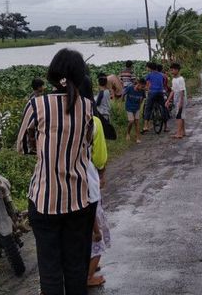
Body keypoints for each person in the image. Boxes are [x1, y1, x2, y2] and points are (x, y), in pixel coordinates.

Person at [17, 48, 96, 295]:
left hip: (44, 200)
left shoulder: (37, 104)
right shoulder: (87, 106)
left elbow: (22, 146)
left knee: (50, 270)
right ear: (80, 75)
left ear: (53, 75)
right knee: (75, 267)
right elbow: (88, 145)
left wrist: (42, 148)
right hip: (79, 198)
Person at [87, 115, 111, 287]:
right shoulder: (92, 121)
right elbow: (100, 157)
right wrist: (102, 173)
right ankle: (88, 277)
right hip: (89, 187)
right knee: (96, 237)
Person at [142, 62, 166, 133]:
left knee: (148, 108)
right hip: (160, 92)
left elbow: (144, 82)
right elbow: (163, 82)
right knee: (163, 107)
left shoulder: (149, 75)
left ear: (149, 68)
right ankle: (165, 126)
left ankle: (145, 126)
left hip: (152, 92)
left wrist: (145, 87)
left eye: (147, 67)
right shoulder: (162, 75)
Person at [166, 63, 187, 139]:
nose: (171, 72)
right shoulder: (174, 79)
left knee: (179, 116)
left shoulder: (180, 79)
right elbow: (173, 90)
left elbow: (182, 91)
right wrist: (168, 100)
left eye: (173, 70)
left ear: (177, 70)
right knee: (181, 116)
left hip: (181, 100)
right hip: (177, 99)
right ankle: (183, 131)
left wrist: (181, 102)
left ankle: (179, 133)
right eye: (171, 70)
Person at [124, 78, 146, 143]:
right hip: (129, 107)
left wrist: (140, 104)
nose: (143, 88)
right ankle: (128, 133)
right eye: (142, 86)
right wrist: (121, 100)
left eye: (143, 87)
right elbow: (123, 93)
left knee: (137, 122)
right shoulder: (130, 88)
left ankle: (138, 137)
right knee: (131, 121)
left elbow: (143, 98)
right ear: (138, 84)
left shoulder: (142, 91)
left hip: (137, 108)